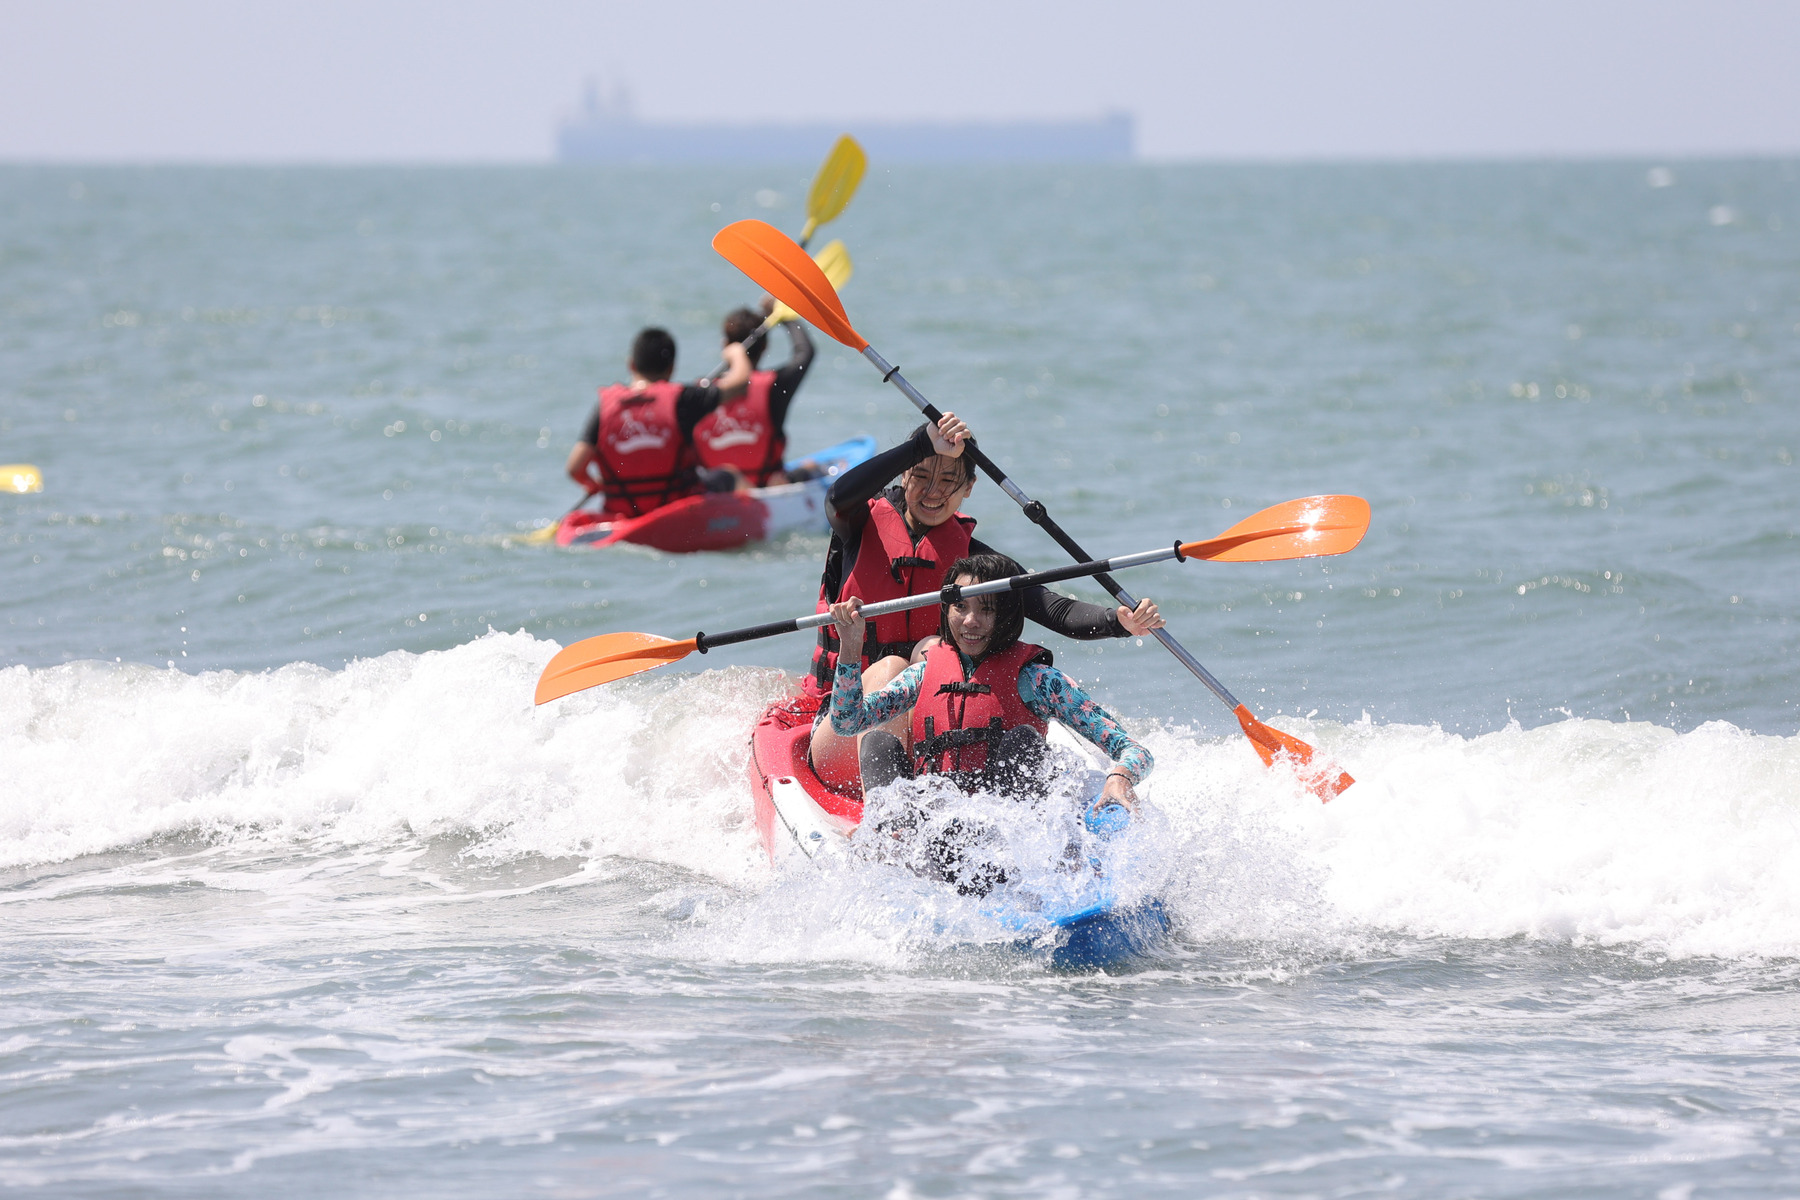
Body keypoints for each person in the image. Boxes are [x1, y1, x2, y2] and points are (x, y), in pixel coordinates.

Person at [805, 412, 1163, 788]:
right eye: (921, 476)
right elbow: (838, 497)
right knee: (895, 663)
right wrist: (921, 445)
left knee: (932, 650)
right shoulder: (856, 526)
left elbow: (1051, 606)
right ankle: (888, 815)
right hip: (844, 728)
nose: (933, 491)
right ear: (903, 475)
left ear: (969, 487)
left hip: (931, 737)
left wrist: (1120, 622)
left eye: (948, 480)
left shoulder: (972, 568)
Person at [825, 552, 1154, 893]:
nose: (970, 621)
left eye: (987, 609)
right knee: (878, 742)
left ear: (1008, 615)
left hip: (1006, 844)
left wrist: (1119, 777)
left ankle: (1027, 873)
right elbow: (847, 722)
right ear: (946, 610)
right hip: (930, 839)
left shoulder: (1038, 681)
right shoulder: (923, 674)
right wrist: (850, 645)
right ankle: (887, 849)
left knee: (1022, 741)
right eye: (961, 608)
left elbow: (1134, 750)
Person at [564, 327, 751, 519]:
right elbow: (739, 383)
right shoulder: (683, 400)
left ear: (631, 365)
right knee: (729, 475)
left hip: (624, 515)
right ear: (671, 368)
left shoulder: (605, 407)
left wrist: (594, 485)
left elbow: (575, 468)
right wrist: (736, 354)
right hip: (678, 512)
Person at [690, 304, 815, 488]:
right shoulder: (775, 386)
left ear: (725, 346)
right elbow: (805, 353)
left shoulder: (701, 393)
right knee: (812, 467)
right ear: (765, 347)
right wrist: (783, 314)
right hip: (767, 487)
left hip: (717, 491)